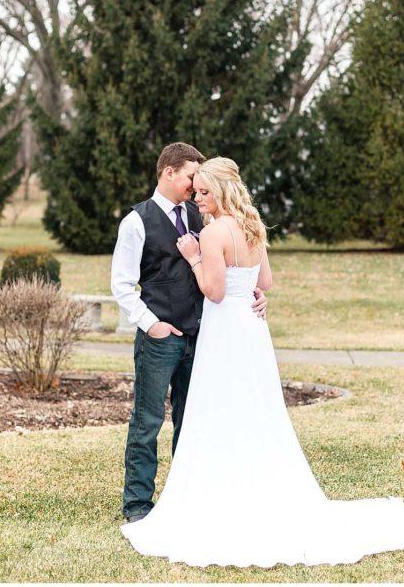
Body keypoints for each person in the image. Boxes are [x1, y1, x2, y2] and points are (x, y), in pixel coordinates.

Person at [120, 157, 404, 567]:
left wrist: (194, 256)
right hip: (251, 330)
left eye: (203, 192)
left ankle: (215, 493)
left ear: (220, 191)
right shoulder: (253, 224)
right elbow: (265, 281)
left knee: (216, 408)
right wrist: (251, 292)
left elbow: (215, 292)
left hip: (223, 330)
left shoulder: (214, 231)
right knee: (253, 407)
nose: (197, 199)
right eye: (195, 190)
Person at [111, 143, 268, 524]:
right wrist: (152, 324)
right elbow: (122, 284)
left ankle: (184, 499)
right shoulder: (136, 222)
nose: (195, 187)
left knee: (193, 419)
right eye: (191, 177)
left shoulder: (206, 217)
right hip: (161, 338)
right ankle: (138, 503)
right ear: (169, 172)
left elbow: (231, 267)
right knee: (147, 421)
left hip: (203, 337)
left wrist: (253, 292)